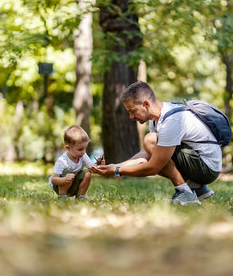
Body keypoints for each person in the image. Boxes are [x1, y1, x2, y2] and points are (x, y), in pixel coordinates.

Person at [90, 81, 222, 205]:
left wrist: (117, 171)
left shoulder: (172, 120)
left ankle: (185, 193)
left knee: (150, 141)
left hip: (208, 167)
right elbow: (146, 154)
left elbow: (154, 167)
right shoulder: (156, 120)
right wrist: (114, 166)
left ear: (146, 104)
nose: (131, 117)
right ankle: (197, 189)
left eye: (132, 111)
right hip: (199, 163)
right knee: (153, 145)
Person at [49, 125, 104, 200]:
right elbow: (53, 179)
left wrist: (99, 165)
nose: (83, 152)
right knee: (67, 172)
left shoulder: (83, 156)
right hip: (60, 185)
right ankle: (62, 197)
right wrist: (64, 179)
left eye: (85, 148)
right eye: (80, 149)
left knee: (87, 173)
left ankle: (80, 196)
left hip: (74, 184)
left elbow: (92, 169)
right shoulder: (62, 161)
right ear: (68, 148)